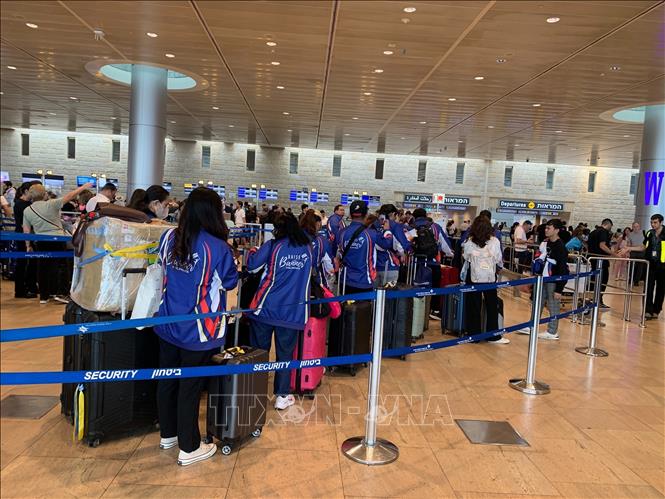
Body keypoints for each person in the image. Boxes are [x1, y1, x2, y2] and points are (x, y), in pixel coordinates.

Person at [154, 187, 238, 466]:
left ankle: (168, 435)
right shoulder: (217, 247)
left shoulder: (169, 237)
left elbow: (162, 267)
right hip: (199, 330)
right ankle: (189, 447)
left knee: (167, 381)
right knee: (189, 388)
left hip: (167, 323)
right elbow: (230, 282)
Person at [247, 213, 313, 410]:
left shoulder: (272, 246)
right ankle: (282, 396)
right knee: (285, 355)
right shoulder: (308, 248)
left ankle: (255, 392)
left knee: (259, 353)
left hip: (265, 308)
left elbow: (251, 266)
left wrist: (253, 250)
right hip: (293, 312)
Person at [23, 182, 93, 304]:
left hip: (41, 241)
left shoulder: (27, 210)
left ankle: (44, 296)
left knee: (42, 267)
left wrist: (28, 245)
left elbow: (26, 230)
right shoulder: (51, 204)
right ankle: (60, 293)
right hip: (57, 239)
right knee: (60, 265)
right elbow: (70, 196)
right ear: (44, 194)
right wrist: (82, 187)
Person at [462, 216, 508, 344]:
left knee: (473, 306)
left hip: (473, 276)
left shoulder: (469, 241)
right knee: (492, 305)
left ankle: (473, 336)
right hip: (489, 276)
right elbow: (498, 258)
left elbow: (466, 257)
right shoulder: (495, 241)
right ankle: (493, 336)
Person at [521, 219, 569, 340]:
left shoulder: (560, 247)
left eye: (549, 228)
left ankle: (552, 331)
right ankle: (532, 325)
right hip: (542, 278)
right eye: (546, 228)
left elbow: (563, 269)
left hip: (553, 280)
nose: (546, 230)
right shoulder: (546, 243)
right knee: (538, 302)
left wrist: (559, 289)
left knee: (553, 305)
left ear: (556, 230)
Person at [336, 200, 393, 294]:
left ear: (350, 214)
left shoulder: (342, 233)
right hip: (365, 280)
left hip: (345, 280)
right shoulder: (371, 233)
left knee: (345, 303)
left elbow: (336, 253)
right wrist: (387, 231)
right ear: (366, 214)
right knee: (363, 304)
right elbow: (387, 244)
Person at [408, 208, 454, 316]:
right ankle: (434, 310)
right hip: (434, 262)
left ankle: (417, 311)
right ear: (426, 215)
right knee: (435, 287)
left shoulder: (412, 227)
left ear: (414, 217)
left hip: (417, 264)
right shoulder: (435, 227)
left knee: (417, 287)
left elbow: (405, 244)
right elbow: (445, 245)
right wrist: (450, 254)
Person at [622, 214, 665, 319]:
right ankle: (647, 311)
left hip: (663, 266)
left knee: (661, 289)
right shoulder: (649, 233)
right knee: (648, 288)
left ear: (661, 222)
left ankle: (656, 310)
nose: (653, 224)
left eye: (655, 222)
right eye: (651, 222)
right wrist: (629, 248)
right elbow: (643, 247)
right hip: (650, 264)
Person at [373, 204, 411, 285]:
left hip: (373, 266)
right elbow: (403, 243)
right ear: (394, 214)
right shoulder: (395, 225)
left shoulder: (373, 224)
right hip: (390, 265)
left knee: (374, 292)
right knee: (390, 292)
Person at [12, 182, 38, 298]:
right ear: (26, 191)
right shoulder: (20, 204)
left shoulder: (27, 204)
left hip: (28, 235)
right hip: (23, 235)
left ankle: (30, 286)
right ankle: (20, 290)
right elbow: (24, 224)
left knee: (31, 263)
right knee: (22, 263)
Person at [300, 209, 334, 287]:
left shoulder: (294, 237)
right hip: (314, 279)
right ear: (318, 223)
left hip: (296, 278)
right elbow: (328, 264)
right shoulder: (321, 240)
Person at [587, 218, 615, 309]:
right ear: (608, 224)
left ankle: (590, 299)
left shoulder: (593, 232)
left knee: (593, 280)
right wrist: (613, 254)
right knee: (603, 280)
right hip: (601, 260)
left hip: (593, 260)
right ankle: (598, 300)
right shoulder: (604, 232)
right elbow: (602, 245)